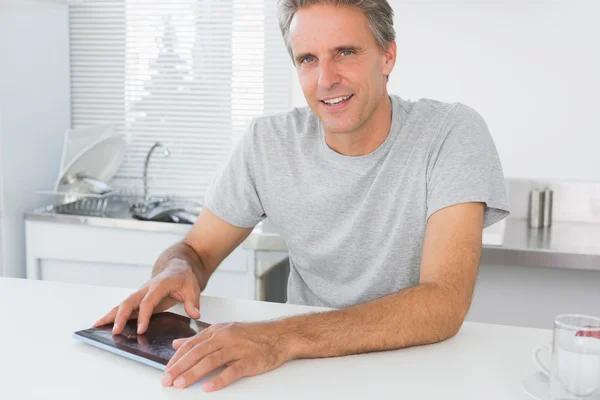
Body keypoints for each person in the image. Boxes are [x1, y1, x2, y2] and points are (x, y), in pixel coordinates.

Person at [94, 0, 509, 392]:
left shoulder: (451, 134)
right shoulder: (268, 142)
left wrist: (278, 338)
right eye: (307, 59)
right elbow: (196, 251)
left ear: (388, 56)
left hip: (415, 371)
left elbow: (444, 301)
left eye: (345, 52)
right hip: (302, 375)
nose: (326, 79)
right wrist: (175, 270)